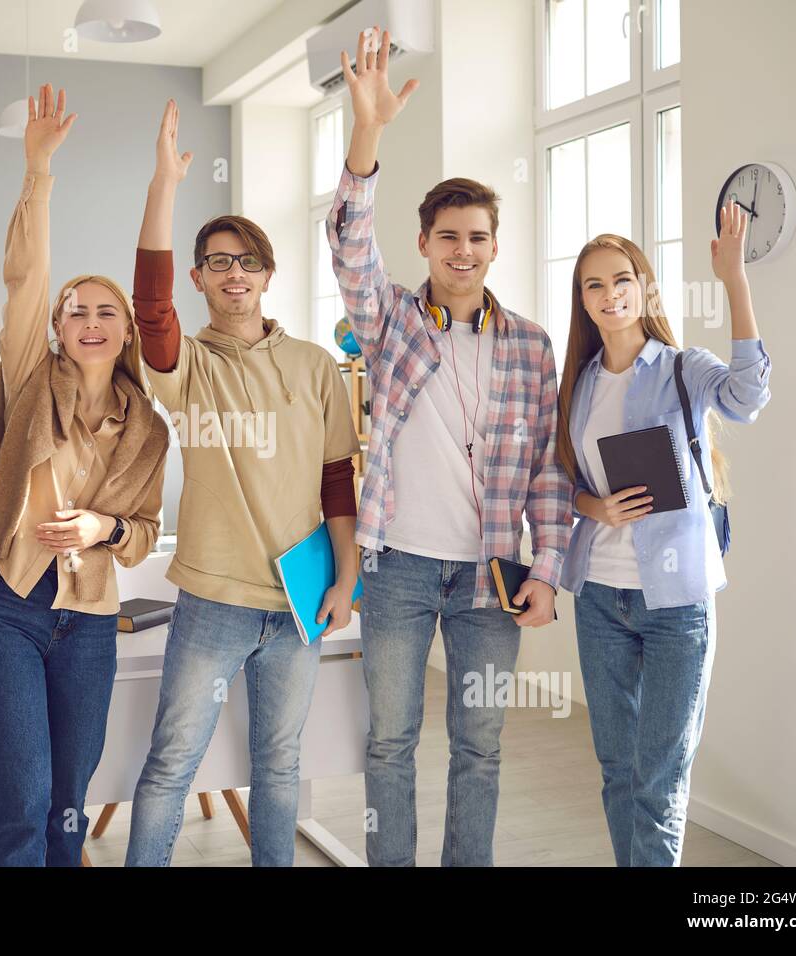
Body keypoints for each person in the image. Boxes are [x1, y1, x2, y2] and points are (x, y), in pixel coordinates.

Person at [326, 28, 572, 866]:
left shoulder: (532, 346)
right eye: (447, 237)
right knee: (389, 744)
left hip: (491, 578)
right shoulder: (391, 320)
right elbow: (349, 245)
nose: (462, 252)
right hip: (396, 567)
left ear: (495, 246)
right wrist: (369, 134)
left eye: (477, 238)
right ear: (425, 243)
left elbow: (547, 469)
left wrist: (547, 572)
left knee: (481, 746)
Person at [124, 99, 362, 867]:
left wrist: (346, 580)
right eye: (219, 261)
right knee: (171, 762)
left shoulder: (315, 366)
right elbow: (149, 308)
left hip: (297, 605)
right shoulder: (187, 365)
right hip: (213, 603)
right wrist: (164, 183)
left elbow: (337, 484)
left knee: (280, 767)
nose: (235, 272)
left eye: (247, 260)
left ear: (267, 273)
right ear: (199, 277)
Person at [0, 84, 170, 867]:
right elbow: (27, 275)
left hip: (89, 619)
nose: (89, 321)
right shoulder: (27, 381)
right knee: (19, 797)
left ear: (125, 334)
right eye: (75, 310)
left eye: (105, 312)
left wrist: (102, 528)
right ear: (57, 327)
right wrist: (38, 173)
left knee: (71, 806)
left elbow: (144, 533)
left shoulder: (146, 426)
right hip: (10, 606)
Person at [556, 207, 771, 866]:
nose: (609, 293)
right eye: (593, 284)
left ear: (644, 288)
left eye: (621, 279)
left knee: (659, 777)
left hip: (677, 603)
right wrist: (593, 504)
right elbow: (555, 482)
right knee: (619, 770)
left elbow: (748, 396)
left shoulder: (682, 368)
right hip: (600, 598)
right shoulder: (579, 385)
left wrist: (734, 282)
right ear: (583, 300)